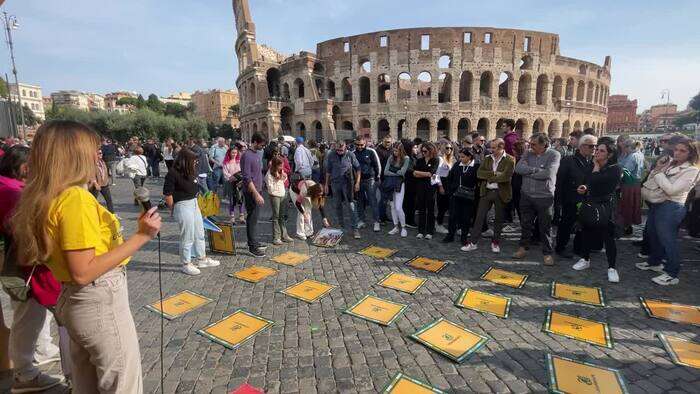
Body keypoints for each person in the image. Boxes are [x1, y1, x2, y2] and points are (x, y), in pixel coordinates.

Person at [12, 120, 162, 393]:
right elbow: (83, 270)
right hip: (97, 297)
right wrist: (142, 236)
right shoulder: (74, 200)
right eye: (93, 149)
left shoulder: (49, 195)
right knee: (122, 385)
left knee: (87, 384)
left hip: (76, 300)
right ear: (74, 154)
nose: (98, 155)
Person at [0, 146, 65, 392]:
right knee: (27, 318)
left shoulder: (8, 186)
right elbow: (27, 232)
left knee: (30, 316)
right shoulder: (11, 191)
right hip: (26, 268)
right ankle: (25, 374)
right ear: (25, 168)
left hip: (23, 265)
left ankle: (35, 357)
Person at [636, 138, 700, 286]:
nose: (677, 153)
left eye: (682, 151)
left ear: (691, 154)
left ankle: (672, 272)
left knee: (668, 240)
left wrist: (659, 173)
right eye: (676, 149)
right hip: (657, 202)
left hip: (672, 206)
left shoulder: (692, 170)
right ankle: (654, 262)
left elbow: (672, 190)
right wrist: (657, 169)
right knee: (652, 233)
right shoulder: (671, 164)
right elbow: (652, 178)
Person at [571, 140, 622, 282]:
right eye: (597, 150)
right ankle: (585, 259)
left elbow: (598, 180)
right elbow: (588, 181)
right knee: (586, 231)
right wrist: (585, 187)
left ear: (610, 155)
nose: (597, 152)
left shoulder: (615, 169)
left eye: (601, 151)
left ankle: (612, 268)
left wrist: (595, 168)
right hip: (590, 203)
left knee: (608, 237)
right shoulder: (592, 165)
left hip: (605, 205)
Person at [163, 148, 221, 275]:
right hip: (182, 205)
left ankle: (202, 259)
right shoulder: (173, 173)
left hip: (194, 203)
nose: (196, 163)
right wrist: (173, 209)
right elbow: (167, 194)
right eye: (193, 161)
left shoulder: (191, 171)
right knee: (187, 235)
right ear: (185, 161)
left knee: (199, 232)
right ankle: (186, 263)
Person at [513, 133, 561, 266]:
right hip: (526, 195)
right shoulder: (528, 153)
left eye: (533, 144)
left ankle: (547, 253)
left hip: (544, 196)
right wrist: (536, 170)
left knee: (545, 227)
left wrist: (528, 172)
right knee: (525, 224)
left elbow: (548, 173)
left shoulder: (554, 155)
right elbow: (518, 169)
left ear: (543, 144)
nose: (530, 146)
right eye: (530, 143)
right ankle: (523, 248)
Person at [462, 138, 515, 253]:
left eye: (494, 147)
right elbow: (479, 173)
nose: (491, 149)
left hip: (501, 192)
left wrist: (489, 178)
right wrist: (494, 174)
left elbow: (506, 177)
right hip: (486, 192)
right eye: (491, 147)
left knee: (499, 219)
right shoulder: (487, 159)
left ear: (501, 147)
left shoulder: (510, 160)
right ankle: (473, 242)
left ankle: (495, 242)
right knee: (479, 217)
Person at [554, 134, 596, 258]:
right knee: (566, 223)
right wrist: (558, 200)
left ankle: (578, 247)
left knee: (583, 223)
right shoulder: (568, 160)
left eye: (595, 146)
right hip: (570, 198)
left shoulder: (592, 161)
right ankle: (560, 247)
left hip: (585, 198)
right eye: (592, 146)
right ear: (582, 146)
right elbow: (560, 180)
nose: (594, 149)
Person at [324, 140, 362, 239]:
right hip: (335, 183)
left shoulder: (350, 155)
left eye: (341, 150)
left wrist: (357, 182)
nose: (339, 152)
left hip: (348, 184)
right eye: (337, 150)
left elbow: (358, 168)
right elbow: (328, 171)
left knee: (351, 205)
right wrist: (326, 185)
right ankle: (341, 227)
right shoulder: (331, 154)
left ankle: (355, 228)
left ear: (345, 147)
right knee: (337, 206)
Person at [442, 148, 479, 245]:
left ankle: (464, 237)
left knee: (466, 218)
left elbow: (478, 181)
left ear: (469, 156)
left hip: (469, 197)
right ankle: (450, 235)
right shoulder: (457, 165)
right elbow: (450, 177)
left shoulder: (476, 166)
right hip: (456, 195)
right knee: (453, 216)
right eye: (460, 156)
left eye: (463, 157)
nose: (461, 159)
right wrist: (451, 191)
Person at [241, 133, 268, 256]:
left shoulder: (256, 154)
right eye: (261, 145)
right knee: (252, 218)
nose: (263, 147)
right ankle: (252, 246)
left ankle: (254, 242)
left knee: (255, 218)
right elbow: (247, 178)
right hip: (251, 192)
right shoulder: (247, 156)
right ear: (255, 142)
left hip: (258, 190)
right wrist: (256, 194)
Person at [617, 137, 645, 235]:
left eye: (624, 147)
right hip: (635, 184)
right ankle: (628, 226)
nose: (623, 150)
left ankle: (626, 226)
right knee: (632, 206)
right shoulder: (639, 154)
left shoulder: (632, 156)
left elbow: (625, 171)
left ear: (628, 147)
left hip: (629, 184)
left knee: (627, 206)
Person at [354, 137, 382, 232]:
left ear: (365, 143)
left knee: (372, 201)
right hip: (358, 181)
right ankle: (362, 220)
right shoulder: (353, 153)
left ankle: (376, 222)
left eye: (361, 145)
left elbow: (377, 164)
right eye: (357, 145)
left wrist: (378, 177)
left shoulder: (371, 151)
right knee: (360, 201)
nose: (360, 147)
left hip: (370, 180)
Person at [413, 142, 440, 239]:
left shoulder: (435, 160)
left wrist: (419, 173)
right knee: (421, 209)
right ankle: (421, 230)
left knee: (430, 209)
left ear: (431, 151)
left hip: (430, 187)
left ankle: (430, 231)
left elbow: (431, 173)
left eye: (425, 151)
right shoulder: (420, 160)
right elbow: (414, 173)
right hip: (420, 186)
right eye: (422, 151)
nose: (423, 153)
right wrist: (424, 173)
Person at [383, 142, 410, 237]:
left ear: (401, 151)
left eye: (396, 151)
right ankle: (396, 227)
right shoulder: (391, 158)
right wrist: (397, 172)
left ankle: (403, 227)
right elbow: (385, 172)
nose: (395, 152)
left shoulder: (406, 159)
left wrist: (392, 170)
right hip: (390, 184)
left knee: (398, 207)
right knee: (392, 206)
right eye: (393, 150)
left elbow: (403, 172)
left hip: (399, 184)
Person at [266, 156, 293, 245]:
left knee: (282, 216)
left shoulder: (281, 171)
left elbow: (283, 181)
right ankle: (276, 237)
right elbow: (270, 188)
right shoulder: (269, 174)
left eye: (282, 165)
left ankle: (284, 235)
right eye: (280, 166)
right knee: (276, 216)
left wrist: (283, 177)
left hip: (282, 194)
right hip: (275, 196)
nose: (282, 167)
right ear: (275, 165)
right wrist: (278, 180)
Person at [223, 143, 246, 224]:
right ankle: (232, 217)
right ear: (229, 153)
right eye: (232, 153)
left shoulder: (239, 161)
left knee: (240, 199)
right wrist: (231, 177)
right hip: (230, 183)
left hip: (239, 183)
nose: (234, 154)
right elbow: (225, 173)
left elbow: (242, 171)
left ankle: (241, 217)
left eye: (235, 153)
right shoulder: (226, 162)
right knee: (232, 200)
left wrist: (239, 178)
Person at [435, 143, 455, 234]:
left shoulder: (452, 159)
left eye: (451, 148)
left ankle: (440, 223)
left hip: (449, 184)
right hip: (442, 183)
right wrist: (440, 186)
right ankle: (438, 224)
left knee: (447, 205)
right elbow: (437, 174)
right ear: (443, 148)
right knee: (442, 205)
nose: (449, 149)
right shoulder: (440, 159)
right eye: (447, 147)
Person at [88, 149, 115, 214]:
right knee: (93, 200)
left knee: (109, 199)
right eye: (99, 153)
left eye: (101, 153)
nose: (101, 154)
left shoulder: (102, 162)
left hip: (104, 184)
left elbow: (105, 172)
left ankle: (112, 214)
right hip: (96, 185)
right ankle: (91, 213)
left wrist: (107, 180)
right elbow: (90, 174)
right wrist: (95, 183)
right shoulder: (91, 164)